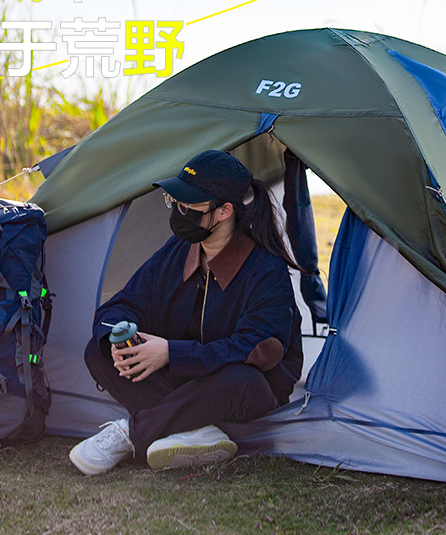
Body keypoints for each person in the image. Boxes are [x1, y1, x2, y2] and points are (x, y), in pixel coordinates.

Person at [69, 150, 303, 475]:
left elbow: (260, 350)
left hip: (241, 389)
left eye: (187, 205)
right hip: (187, 381)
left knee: (241, 380)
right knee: (99, 352)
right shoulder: (178, 251)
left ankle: (130, 433)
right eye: (174, 201)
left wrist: (170, 354)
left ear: (224, 212)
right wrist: (121, 338)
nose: (178, 211)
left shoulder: (265, 270)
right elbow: (122, 304)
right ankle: (195, 432)